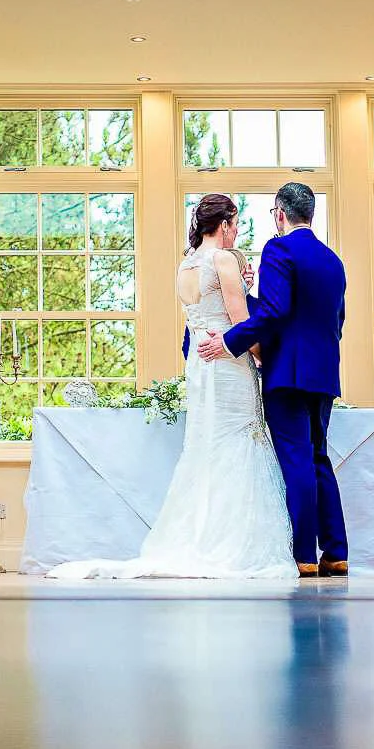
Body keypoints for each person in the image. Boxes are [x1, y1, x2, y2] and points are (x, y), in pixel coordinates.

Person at [49, 193, 296, 578]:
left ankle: (198, 533)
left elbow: (203, 312)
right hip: (228, 364)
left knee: (206, 445)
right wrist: (265, 357)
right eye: (235, 225)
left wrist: (243, 285)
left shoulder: (186, 264)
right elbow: (240, 320)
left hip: (200, 362)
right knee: (239, 441)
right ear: (225, 224)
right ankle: (231, 541)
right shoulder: (224, 259)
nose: (236, 233)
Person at [198, 182, 349, 577]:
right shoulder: (333, 260)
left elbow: (275, 312)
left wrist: (229, 341)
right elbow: (337, 320)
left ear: (280, 214)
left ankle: (304, 557)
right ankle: (336, 552)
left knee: (296, 460)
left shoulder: (278, 249)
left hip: (287, 374)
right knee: (318, 458)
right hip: (324, 373)